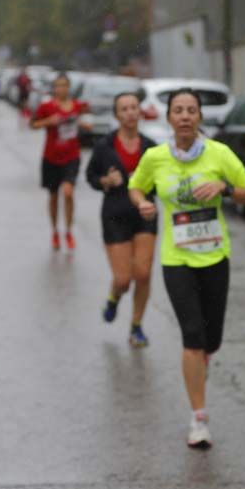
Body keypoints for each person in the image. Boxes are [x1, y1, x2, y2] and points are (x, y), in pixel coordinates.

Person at [128, 89, 245, 449]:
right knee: (192, 337)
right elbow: (136, 188)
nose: (185, 116)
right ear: (168, 118)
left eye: (191, 110)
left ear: (199, 117)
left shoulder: (220, 154)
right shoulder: (155, 157)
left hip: (215, 256)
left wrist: (225, 187)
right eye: (178, 111)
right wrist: (143, 205)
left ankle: (201, 364)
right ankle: (198, 418)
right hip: (177, 259)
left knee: (210, 339)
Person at [86, 92, 158, 348]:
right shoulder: (104, 146)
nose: (129, 113)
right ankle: (114, 298)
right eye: (124, 109)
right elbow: (91, 177)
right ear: (117, 115)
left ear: (140, 112)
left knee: (144, 273)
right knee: (123, 279)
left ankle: (136, 326)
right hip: (115, 215)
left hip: (144, 214)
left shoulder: (151, 147)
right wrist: (106, 181)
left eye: (133, 107)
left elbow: (162, 181)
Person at [31, 74, 92, 251]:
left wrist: (84, 124)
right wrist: (48, 122)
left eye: (64, 85)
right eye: (58, 86)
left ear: (69, 87)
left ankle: (68, 231)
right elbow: (33, 124)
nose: (61, 89)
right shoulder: (46, 106)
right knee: (53, 196)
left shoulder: (76, 106)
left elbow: (86, 119)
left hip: (71, 156)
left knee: (68, 192)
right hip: (50, 157)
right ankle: (55, 231)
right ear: (54, 88)